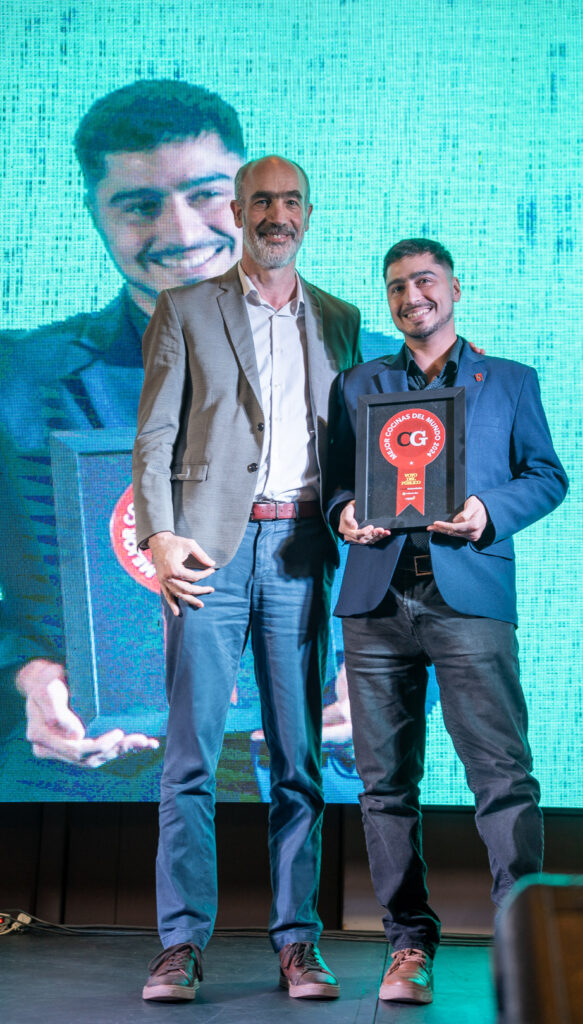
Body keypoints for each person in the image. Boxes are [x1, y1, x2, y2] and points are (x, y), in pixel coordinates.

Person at [132, 155, 362, 1002]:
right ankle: (180, 944)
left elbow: (352, 437)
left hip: (302, 553)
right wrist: (159, 535)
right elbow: (155, 435)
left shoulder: (338, 317)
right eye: (260, 200)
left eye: (290, 201)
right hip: (208, 557)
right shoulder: (185, 307)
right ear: (236, 212)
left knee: (299, 762)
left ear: (308, 213)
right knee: (190, 760)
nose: (276, 215)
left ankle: (298, 944)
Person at [326, 238, 568, 1005]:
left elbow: (547, 476)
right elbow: (335, 484)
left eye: (424, 281)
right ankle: (407, 945)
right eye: (396, 286)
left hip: (469, 600)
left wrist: (487, 511)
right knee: (383, 787)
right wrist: (344, 514)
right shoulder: (357, 384)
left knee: (501, 779)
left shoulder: (510, 381)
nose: (411, 297)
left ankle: (521, 943)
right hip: (376, 604)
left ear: (454, 289)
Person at [0, 80, 246, 776]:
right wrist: (28, 677)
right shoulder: (16, 382)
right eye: (140, 206)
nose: (182, 232)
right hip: (79, 783)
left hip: (299, 782)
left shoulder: (372, 376)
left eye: (206, 194)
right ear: (95, 215)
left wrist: (377, 682)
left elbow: (432, 592)